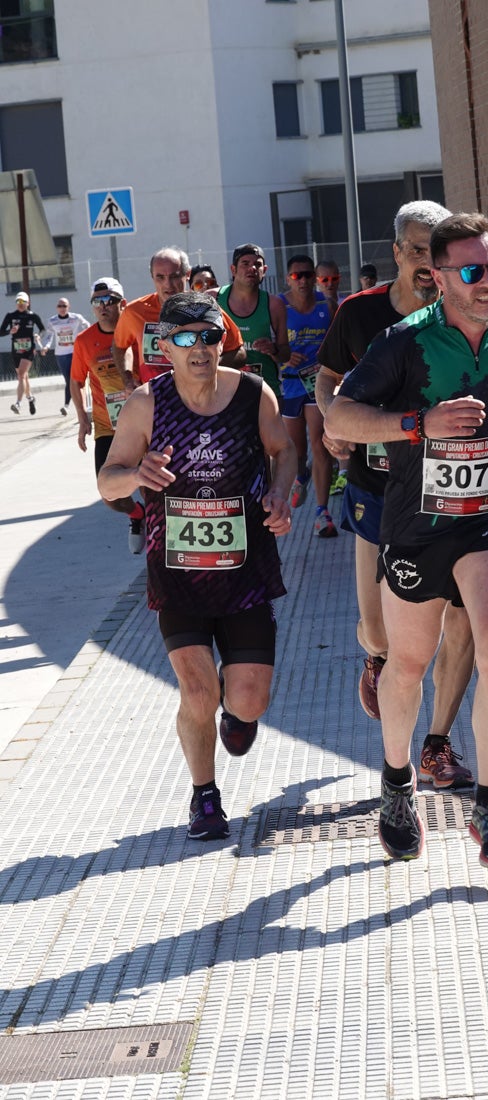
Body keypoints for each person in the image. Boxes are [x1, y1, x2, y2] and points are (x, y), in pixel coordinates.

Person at [325, 212, 488, 866]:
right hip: (416, 526)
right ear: (438, 276)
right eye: (473, 272)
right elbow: (341, 410)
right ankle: (397, 783)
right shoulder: (404, 342)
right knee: (407, 666)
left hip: (487, 520)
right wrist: (418, 422)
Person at [98, 292, 297, 840]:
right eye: (185, 339)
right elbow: (107, 480)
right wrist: (137, 473)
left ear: (222, 339)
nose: (199, 348)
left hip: (246, 570)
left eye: (209, 336)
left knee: (249, 700)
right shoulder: (146, 403)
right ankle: (204, 796)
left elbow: (284, 451)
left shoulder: (253, 393)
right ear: (164, 347)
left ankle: (238, 715)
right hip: (178, 571)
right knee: (197, 692)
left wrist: (281, 495)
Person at [316, 200, 477, 791]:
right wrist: (335, 426)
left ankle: (435, 745)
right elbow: (328, 378)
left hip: (447, 493)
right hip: (377, 489)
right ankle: (377, 657)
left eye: (434, 253)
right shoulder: (360, 315)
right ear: (396, 253)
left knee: (460, 626)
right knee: (381, 629)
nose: (424, 264)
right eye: (414, 251)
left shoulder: (466, 312)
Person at [70, 278, 146, 553]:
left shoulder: (137, 333)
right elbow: (76, 381)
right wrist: (82, 420)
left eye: (110, 300)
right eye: (97, 302)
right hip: (108, 427)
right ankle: (138, 514)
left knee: (151, 484)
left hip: (143, 423)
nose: (103, 306)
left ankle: (161, 539)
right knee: (110, 495)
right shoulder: (84, 341)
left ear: (122, 304)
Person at [112, 246, 246, 387]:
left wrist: (205, 364)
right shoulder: (134, 312)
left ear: (187, 274)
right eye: (160, 277)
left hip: (202, 398)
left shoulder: (206, 307)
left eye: (174, 276)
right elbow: (119, 346)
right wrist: (127, 379)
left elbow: (239, 353)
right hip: (157, 399)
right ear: (152, 277)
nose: (167, 284)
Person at [279, 254, 338, 537]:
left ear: (314, 277)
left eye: (306, 275)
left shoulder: (326, 305)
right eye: (296, 276)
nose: (302, 280)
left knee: (319, 444)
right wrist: (283, 358)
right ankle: (300, 476)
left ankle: (322, 512)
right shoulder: (280, 305)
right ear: (288, 278)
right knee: (297, 450)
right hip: (290, 384)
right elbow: (273, 346)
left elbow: (338, 343)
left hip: (316, 382)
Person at [217, 243, 289, 400]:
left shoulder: (274, 305)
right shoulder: (214, 299)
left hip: (265, 390)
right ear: (233, 269)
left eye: (258, 264)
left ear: (265, 270)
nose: (252, 268)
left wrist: (273, 349)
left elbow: (285, 355)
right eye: (245, 263)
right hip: (224, 392)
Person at [43, 296, 90, 416]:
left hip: (75, 353)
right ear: (56, 308)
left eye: (64, 306)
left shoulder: (76, 318)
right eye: (60, 306)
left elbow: (88, 326)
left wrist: (85, 339)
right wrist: (46, 346)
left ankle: (67, 406)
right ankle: (73, 405)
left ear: (69, 307)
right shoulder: (52, 321)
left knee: (74, 380)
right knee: (68, 380)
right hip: (61, 354)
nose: (62, 308)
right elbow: (49, 336)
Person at [1, 291, 45, 415]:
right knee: (23, 377)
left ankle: (18, 404)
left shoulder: (32, 316)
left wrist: (38, 335)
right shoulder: (10, 316)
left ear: (27, 303)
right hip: (16, 349)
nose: (20, 304)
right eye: (18, 302)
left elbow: (43, 329)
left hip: (29, 349)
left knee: (21, 375)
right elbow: (1, 331)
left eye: (23, 302)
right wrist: (10, 331)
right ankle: (31, 398)